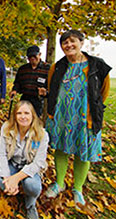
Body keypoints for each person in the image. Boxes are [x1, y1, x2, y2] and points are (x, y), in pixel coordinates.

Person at [45, 29, 111, 206]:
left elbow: (103, 92)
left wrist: (91, 109)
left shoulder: (97, 65)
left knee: (84, 153)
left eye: (72, 41)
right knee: (60, 149)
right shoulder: (57, 67)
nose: (69, 45)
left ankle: (78, 188)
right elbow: (52, 89)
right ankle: (59, 183)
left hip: (85, 118)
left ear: (82, 43)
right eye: (65, 43)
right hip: (62, 116)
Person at [0, 100, 49, 219]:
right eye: (19, 113)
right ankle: (13, 191)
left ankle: (30, 203)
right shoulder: (7, 128)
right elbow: (2, 153)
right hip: (12, 163)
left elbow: (39, 163)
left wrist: (16, 178)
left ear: (33, 116)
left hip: (30, 167)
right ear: (15, 116)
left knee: (33, 186)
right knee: (1, 182)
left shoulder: (42, 134)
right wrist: (7, 177)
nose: (23, 117)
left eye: (27, 113)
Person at [11, 45, 50, 118]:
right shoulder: (22, 69)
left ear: (39, 54)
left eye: (34, 55)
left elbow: (52, 87)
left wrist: (45, 92)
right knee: (22, 118)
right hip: (24, 98)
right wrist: (14, 90)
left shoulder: (48, 68)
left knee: (35, 120)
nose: (32, 58)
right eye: (29, 56)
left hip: (37, 100)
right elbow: (17, 83)